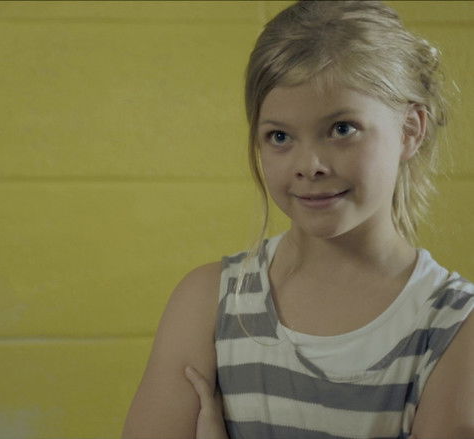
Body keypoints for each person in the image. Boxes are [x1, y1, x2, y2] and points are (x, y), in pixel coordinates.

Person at [121, 1, 474, 438]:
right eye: (280, 136)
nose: (310, 165)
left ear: (410, 130)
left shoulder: (454, 326)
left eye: (342, 129)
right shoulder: (209, 303)